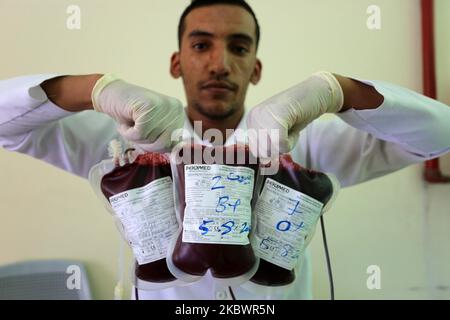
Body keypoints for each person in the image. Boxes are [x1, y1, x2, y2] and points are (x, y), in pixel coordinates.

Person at [1, 0, 449, 300]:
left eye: (238, 47)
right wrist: (94, 89)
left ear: (255, 68)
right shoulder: (120, 141)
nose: (219, 63)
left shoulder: (309, 146)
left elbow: (440, 134)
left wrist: (336, 91)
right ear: (177, 61)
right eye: (201, 45)